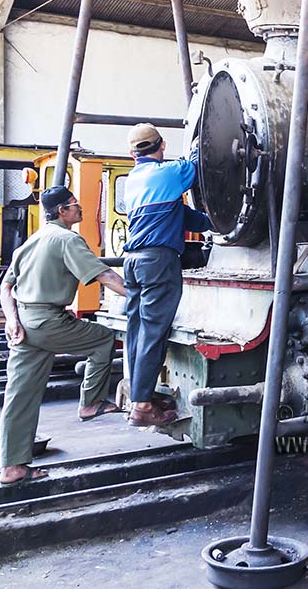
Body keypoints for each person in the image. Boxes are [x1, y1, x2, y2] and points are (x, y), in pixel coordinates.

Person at [0, 186, 127, 484]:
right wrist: (142, 296)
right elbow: (105, 275)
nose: (80, 207)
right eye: (75, 204)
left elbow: (5, 286)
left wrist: (12, 320)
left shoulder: (32, 240)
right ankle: (91, 403)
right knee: (103, 339)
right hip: (48, 322)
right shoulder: (68, 239)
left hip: (24, 324)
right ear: (62, 211)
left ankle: (12, 467)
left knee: (19, 395)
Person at [122, 123, 211, 427]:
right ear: (162, 145)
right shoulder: (169, 173)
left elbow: (181, 215)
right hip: (157, 262)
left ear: (132, 155)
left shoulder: (133, 180)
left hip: (132, 262)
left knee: (137, 331)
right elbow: (200, 162)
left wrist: (211, 223)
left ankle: (140, 394)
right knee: (153, 332)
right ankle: (143, 406)